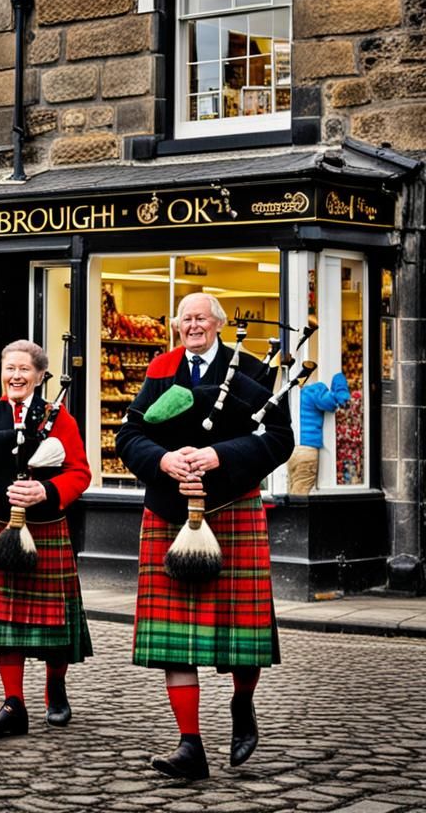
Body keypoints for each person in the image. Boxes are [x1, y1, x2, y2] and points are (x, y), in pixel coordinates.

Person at [116, 292, 294, 780]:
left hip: (231, 506)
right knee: (174, 641)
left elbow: (279, 439)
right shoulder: (161, 369)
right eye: (184, 319)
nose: (192, 325)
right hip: (170, 510)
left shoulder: (253, 370)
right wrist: (163, 461)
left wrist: (220, 456)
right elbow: (129, 435)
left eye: (200, 318)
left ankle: (242, 703)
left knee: (243, 634)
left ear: (218, 323)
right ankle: (189, 744)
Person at [0, 339, 92, 739]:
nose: (15, 376)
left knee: (53, 625)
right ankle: (13, 703)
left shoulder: (58, 416)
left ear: (40, 375)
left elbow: (79, 473)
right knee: (3, 621)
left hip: (46, 526)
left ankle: (55, 686)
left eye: (24, 369)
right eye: (9, 368)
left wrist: (45, 492)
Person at [287, 372, 350, 494]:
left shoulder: (291, 396)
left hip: (291, 450)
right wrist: (339, 378)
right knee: (301, 494)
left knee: (293, 491)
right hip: (307, 450)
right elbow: (336, 400)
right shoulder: (313, 392)